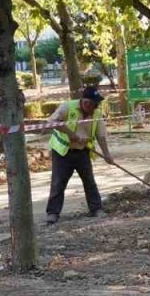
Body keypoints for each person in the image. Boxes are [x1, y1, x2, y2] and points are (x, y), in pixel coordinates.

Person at [45, 86, 114, 224]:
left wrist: (107, 154)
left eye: (97, 105)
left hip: (83, 151)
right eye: (94, 104)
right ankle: (53, 213)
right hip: (63, 152)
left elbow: (101, 135)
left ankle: (96, 209)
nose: (95, 107)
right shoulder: (67, 107)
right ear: (86, 102)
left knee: (89, 181)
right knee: (58, 183)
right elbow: (51, 122)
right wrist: (71, 134)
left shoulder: (96, 114)